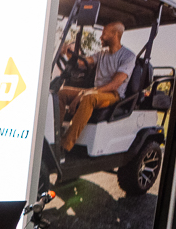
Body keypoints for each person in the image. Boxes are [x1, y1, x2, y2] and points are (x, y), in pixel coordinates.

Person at [58, 21, 135, 154]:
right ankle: (55, 135)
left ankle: (65, 145)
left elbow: (114, 84)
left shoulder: (128, 56)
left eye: (104, 33)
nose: (100, 37)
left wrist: (84, 94)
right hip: (96, 91)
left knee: (89, 98)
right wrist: (67, 52)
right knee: (62, 93)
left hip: (113, 94)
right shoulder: (102, 54)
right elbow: (82, 63)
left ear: (115, 34)